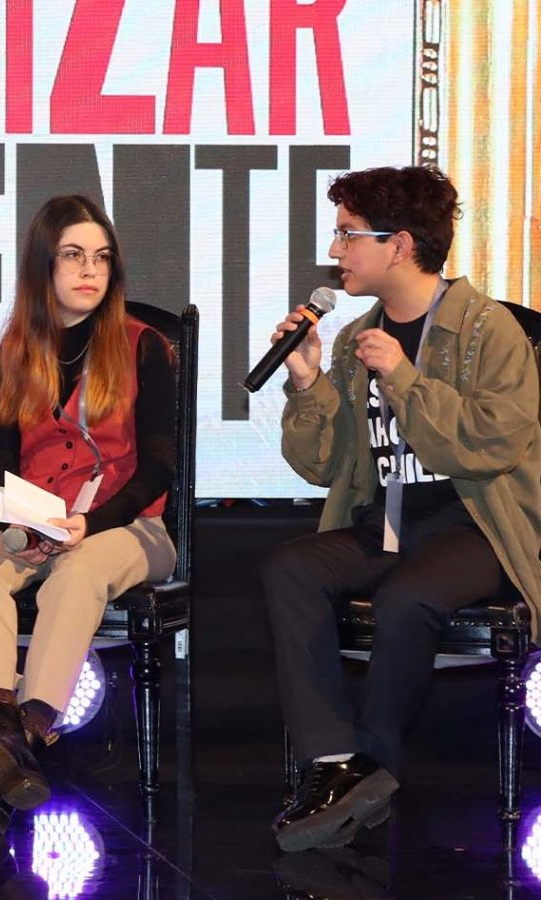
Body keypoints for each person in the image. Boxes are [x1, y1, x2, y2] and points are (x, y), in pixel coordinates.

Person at [262, 165, 541, 852]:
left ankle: (374, 764)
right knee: (289, 569)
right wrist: (306, 382)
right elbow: (326, 464)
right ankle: (335, 763)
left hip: (474, 522)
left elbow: (489, 444)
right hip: (387, 518)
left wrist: (406, 376)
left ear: (401, 244)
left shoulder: (487, 330)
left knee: (408, 599)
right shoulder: (360, 337)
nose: (336, 251)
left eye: (349, 235)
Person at [0, 195, 178, 832]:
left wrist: (87, 525)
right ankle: (2, 732)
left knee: (80, 568)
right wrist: (20, 524)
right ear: (44, 267)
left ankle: (27, 732)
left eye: (101, 257)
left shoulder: (144, 346)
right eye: (72, 256)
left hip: (129, 528)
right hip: (38, 524)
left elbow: (157, 467)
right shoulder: (16, 351)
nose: (89, 270)